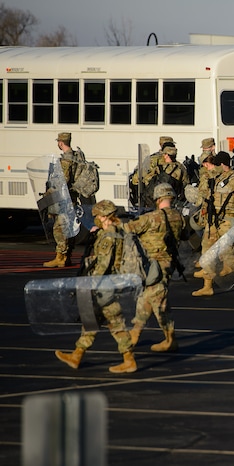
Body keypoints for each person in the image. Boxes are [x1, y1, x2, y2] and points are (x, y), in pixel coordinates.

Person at [54, 200, 137, 373]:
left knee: (116, 324)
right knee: (92, 322)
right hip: (110, 284)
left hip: (104, 286)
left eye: (98, 216)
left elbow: (103, 265)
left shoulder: (108, 237)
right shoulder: (117, 232)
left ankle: (129, 359)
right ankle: (77, 355)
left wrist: (90, 285)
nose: (96, 219)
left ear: (105, 216)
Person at [124, 183, 184, 352]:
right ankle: (135, 335)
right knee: (147, 299)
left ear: (157, 199)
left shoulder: (152, 217)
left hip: (155, 266)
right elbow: (184, 235)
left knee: (158, 301)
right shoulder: (179, 216)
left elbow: (128, 229)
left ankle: (170, 339)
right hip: (168, 264)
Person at [192, 151, 234, 296]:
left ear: (222, 164)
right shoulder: (215, 179)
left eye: (216, 165)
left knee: (229, 255)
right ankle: (208, 286)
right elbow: (208, 199)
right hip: (213, 221)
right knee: (206, 254)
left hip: (229, 221)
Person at [44, 132, 81, 268]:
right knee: (69, 227)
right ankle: (67, 256)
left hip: (64, 198)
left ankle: (60, 257)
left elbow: (63, 180)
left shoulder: (66, 159)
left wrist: (51, 191)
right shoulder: (77, 156)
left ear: (60, 143)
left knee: (59, 228)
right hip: (72, 198)